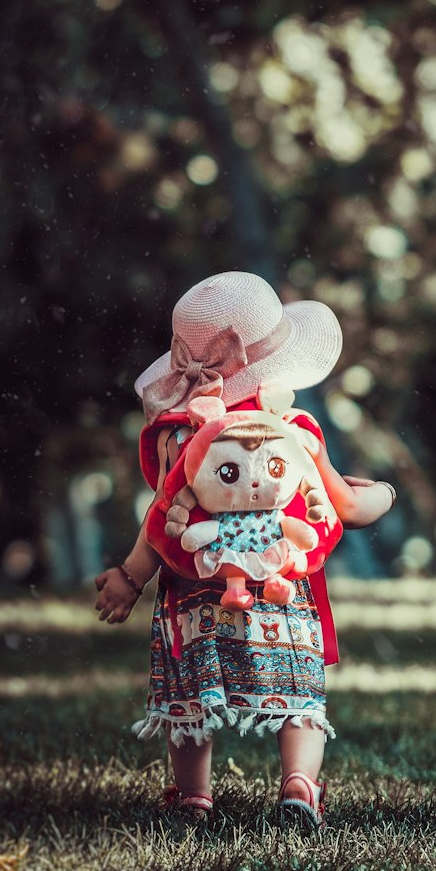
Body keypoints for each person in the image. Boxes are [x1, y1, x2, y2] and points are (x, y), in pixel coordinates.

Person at [93, 271, 395, 827]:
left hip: (196, 590)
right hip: (279, 590)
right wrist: (383, 493)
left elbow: (162, 517)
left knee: (193, 701)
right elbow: (348, 509)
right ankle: (300, 784)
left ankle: (193, 797)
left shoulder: (175, 435)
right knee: (297, 697)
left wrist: (131, 577)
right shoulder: (294, 428)